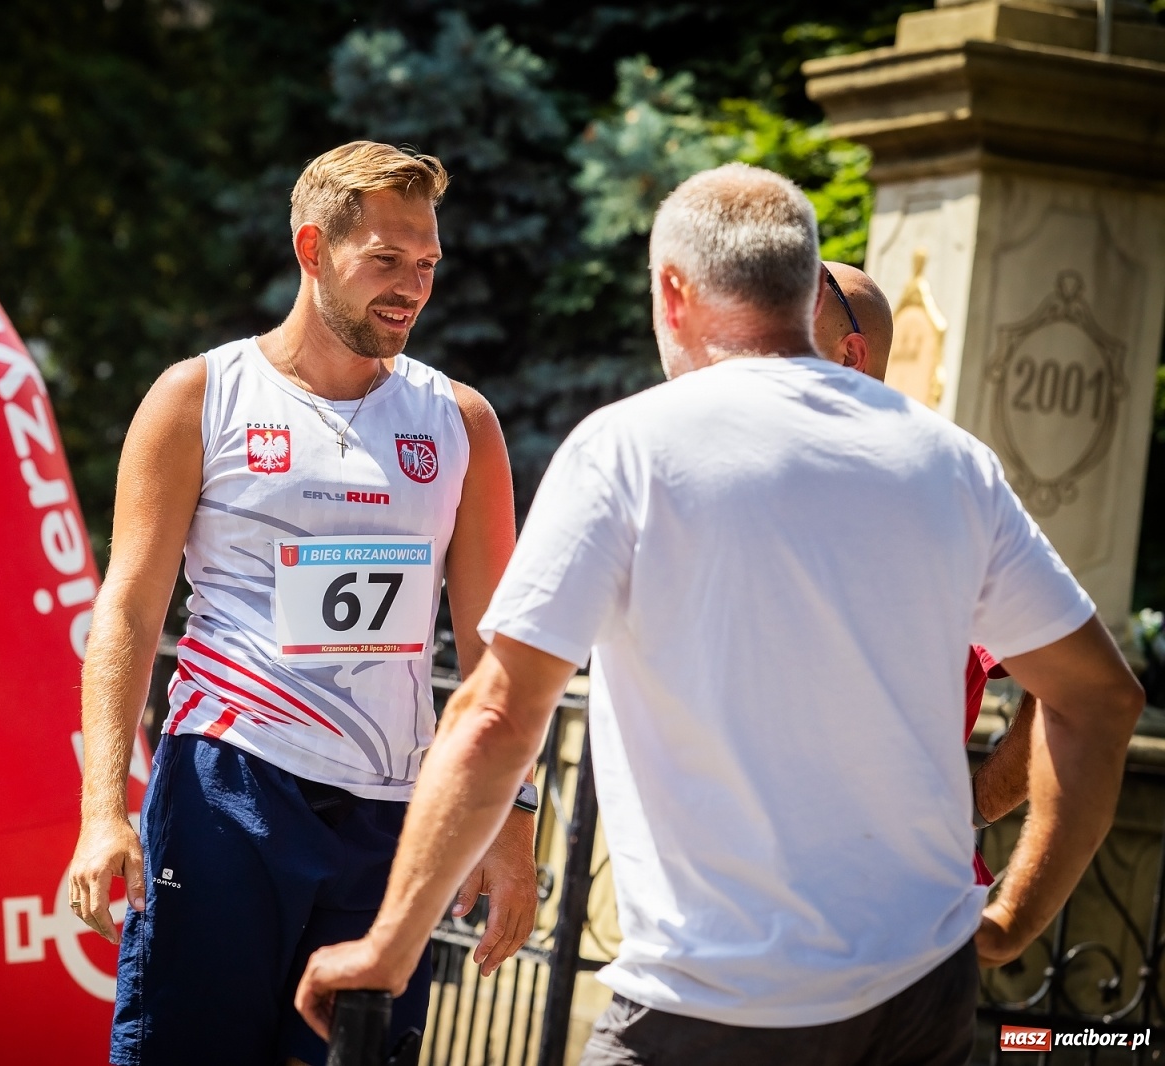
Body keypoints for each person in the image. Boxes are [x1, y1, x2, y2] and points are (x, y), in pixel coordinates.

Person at [296, 163, 1143, 1065]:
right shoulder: (949, 460)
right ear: (804, 284)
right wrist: (1008, 922)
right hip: (919, 998)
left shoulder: (630, 448)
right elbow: (1100, 701)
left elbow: (499, 716)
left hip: (717, 999)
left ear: (673, 293)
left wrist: (388, 946)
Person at [67, 140, 538, 1066]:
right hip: (229, 784)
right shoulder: (199, 395)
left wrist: (511, 824)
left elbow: (498, 651)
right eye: (387, 260)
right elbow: (127, 612)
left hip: (393, 809)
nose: (412, 287)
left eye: (428, 264)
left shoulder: (461, 421)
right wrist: (100, 811)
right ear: (313, 247)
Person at [815, 261, 1041, 879]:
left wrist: (973, 808)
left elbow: (1075, 691)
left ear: (849, 355)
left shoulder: (947, 492)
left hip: (894, 893)